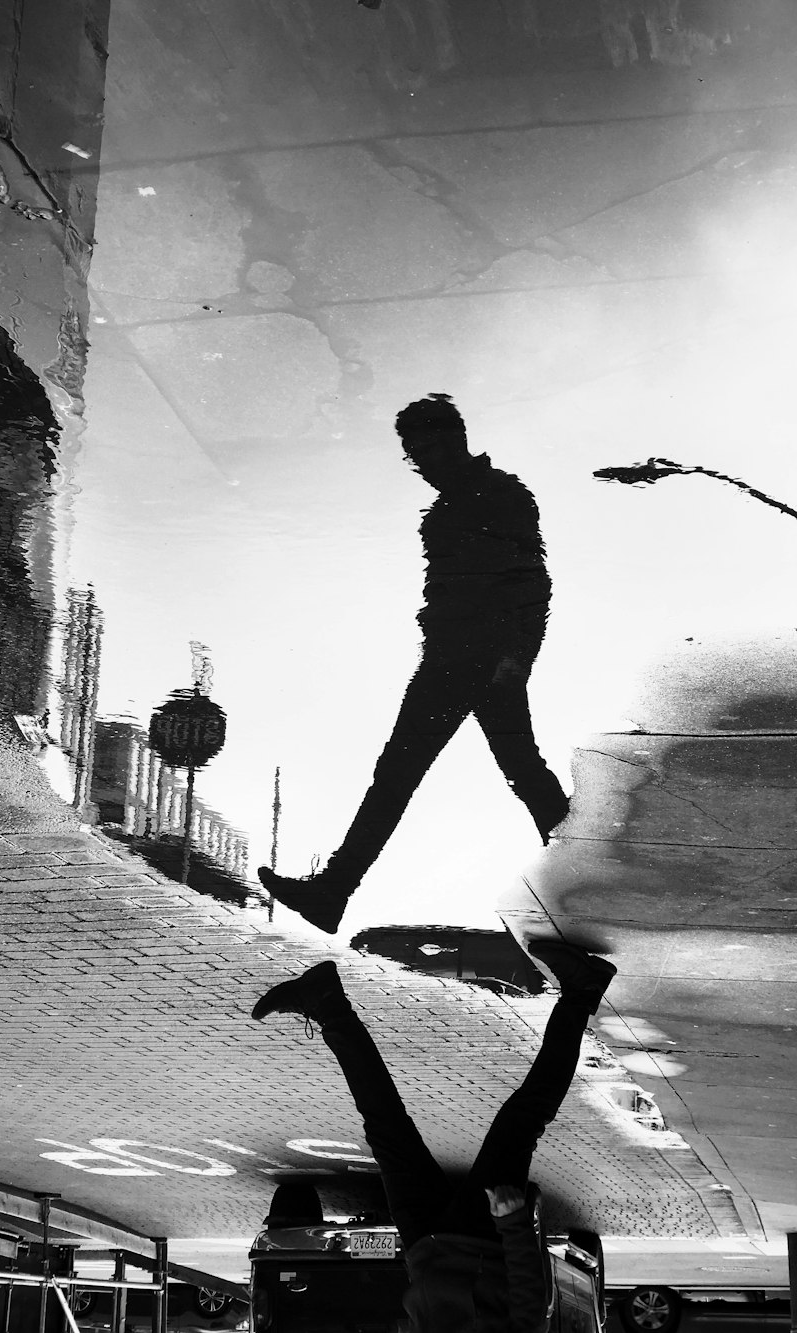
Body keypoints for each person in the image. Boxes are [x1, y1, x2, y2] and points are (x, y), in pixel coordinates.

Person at [258, 393, 568, 933]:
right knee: (506, 774)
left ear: (452, 442)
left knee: (425, 775)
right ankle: (593, 885)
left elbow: (532, 584)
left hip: (478, 663)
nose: (418, 464)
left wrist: (516, 659)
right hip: (455, 660)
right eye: (410, 454)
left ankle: (333, 891)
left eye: (422, 450)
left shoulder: (499, 495)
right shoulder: (453, 506)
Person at [251, 937, 617, 1333]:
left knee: (384, 1126)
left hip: (425, 1246)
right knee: (523, 1118)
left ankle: (326, 1002)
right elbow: (530, 1316)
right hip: (483, 1236)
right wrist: (512, 1225)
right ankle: (582, 991)